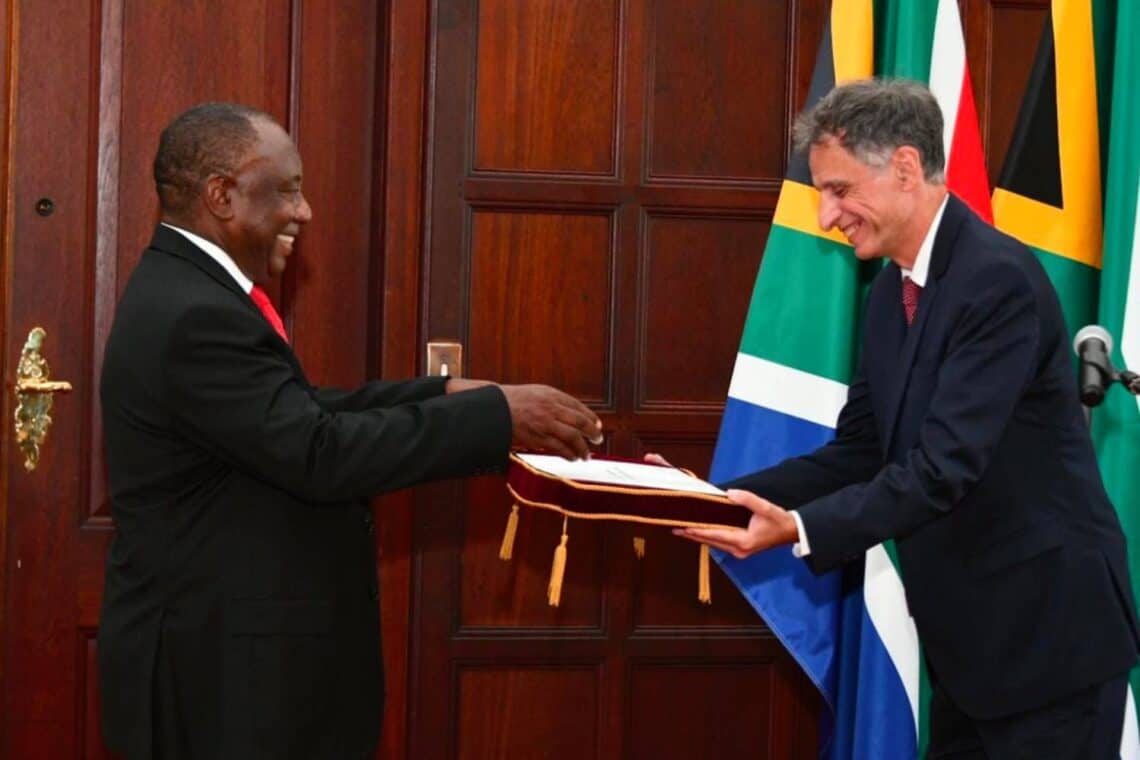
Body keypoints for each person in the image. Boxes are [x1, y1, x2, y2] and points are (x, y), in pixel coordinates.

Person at [98, 102, 603, 760]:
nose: (304, 211)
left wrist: (442, 393)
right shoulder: (196, 311)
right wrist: (497, 419)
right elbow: (318, 453)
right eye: (288, 190)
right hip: (214, 678)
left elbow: (295, 414)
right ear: (222, 196)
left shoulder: (189, 290)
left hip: (222, 661)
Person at [670, 79, 1140, 757]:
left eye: (839, 190)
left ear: (905, 167)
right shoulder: (894, 290)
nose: (826, 217)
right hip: (971, 651)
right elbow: (862, 450)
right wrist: (711, 499)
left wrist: (798, 528)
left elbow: (942, 469)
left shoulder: (996, 280)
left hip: (1048, 641)